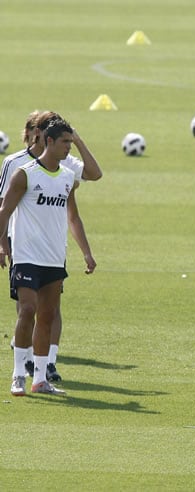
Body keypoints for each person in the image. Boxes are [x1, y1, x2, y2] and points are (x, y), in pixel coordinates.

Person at [1, 110, 101, 383]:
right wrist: (2, 244)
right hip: (21, 244)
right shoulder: (17, 166)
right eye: (65, 140)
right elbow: (4, 207)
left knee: (48, 310)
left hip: (53, 251)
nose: (68, 145)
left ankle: (44, 369)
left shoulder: (66, 170)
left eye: (70, 140)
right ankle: (20, 369)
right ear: (43, 136)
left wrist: (86, 251)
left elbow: (89, 183)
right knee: (26, 308)